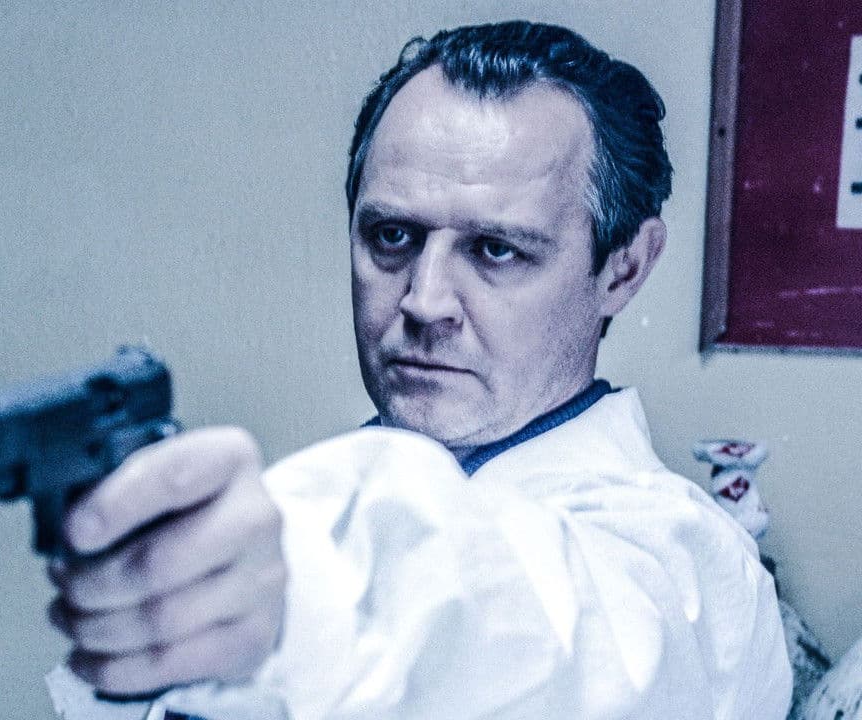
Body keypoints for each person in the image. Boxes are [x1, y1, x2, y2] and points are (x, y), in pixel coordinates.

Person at [44, 20, 792, 719]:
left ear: (624, 268)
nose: (425, 301)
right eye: (393, 236)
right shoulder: (323, 519)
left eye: (496, 250)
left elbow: (536, 637)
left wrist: (294, 586)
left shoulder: (682, 571)